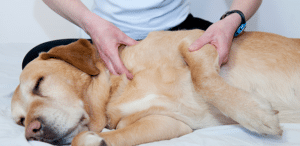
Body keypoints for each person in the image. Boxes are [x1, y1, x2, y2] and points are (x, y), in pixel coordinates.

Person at [23, 0, 262, 80]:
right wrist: (90, 23)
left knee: (248, 62)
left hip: (178, 33)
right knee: (35, 64)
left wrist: (232, 20)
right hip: (106, 38)